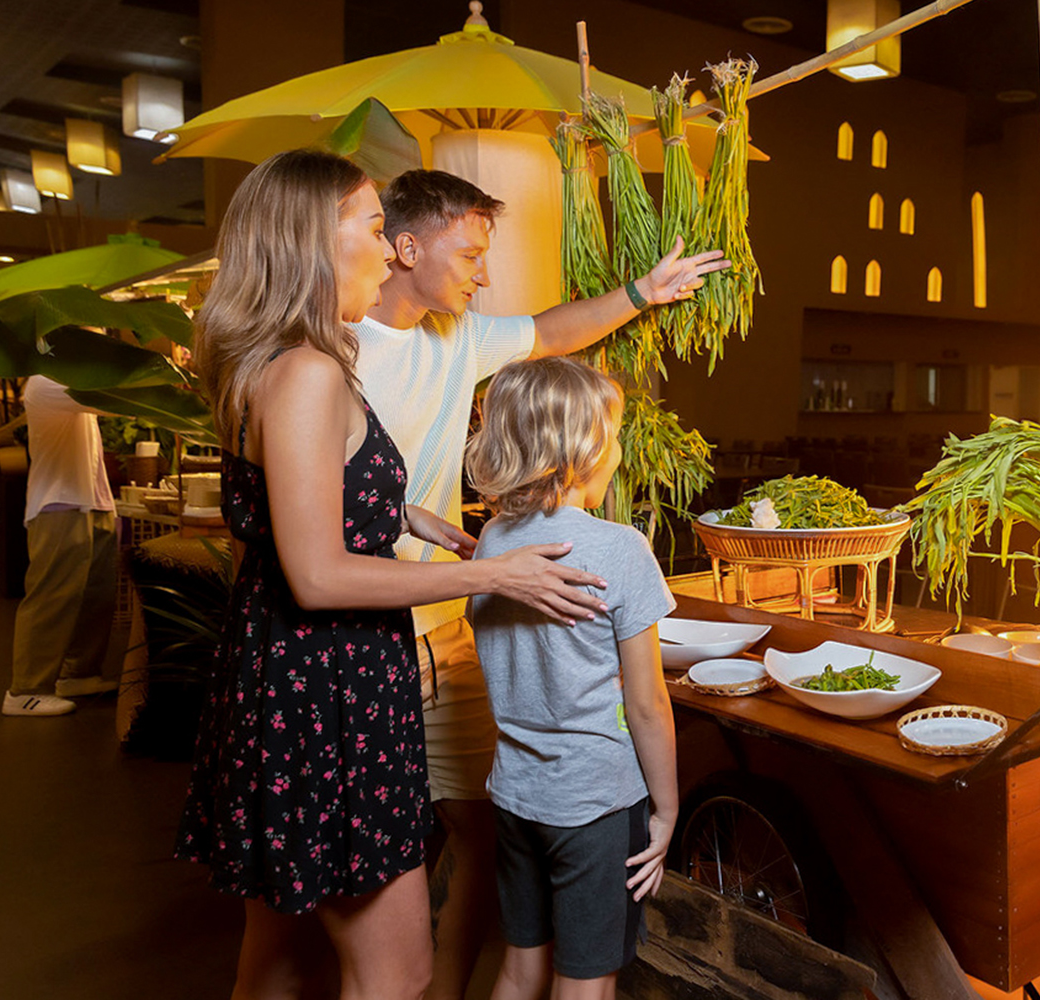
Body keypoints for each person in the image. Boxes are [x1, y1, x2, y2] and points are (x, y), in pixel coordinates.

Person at [175, 149, 591, 1000]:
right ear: (314, 243)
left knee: (282, 952)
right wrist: (497, 577)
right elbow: (320, 575)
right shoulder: (309, 371)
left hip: (285, 683)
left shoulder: (279, 361)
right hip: (326, 696)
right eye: (371, 226)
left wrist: (398, 511)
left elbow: (300, 491)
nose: (386, 240)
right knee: (396, 972)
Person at [350, 168, 724, 998]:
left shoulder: (461, 348)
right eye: (472, 252)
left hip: (456, 630)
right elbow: (645, 702)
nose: (483, 271)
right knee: (366, 857)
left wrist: (643, 291)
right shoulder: (330, 352)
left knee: (482, 847)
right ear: (406, 247)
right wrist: (668, 809)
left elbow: (553, 331)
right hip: (361, 642)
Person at [465, 357, 677, 1000]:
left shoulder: (493, 543)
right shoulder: (619, 548)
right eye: (611, 432)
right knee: (586, 980)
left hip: (515, 794)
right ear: (586, 448)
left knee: (520, 967)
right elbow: (646, 706)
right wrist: (667, 810)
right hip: (594, 804)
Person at [1, 375, 119, 717]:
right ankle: (26, 690)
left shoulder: (69, 378)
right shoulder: (46, 382)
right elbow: (115, 400)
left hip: (92, 499)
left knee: (96, 594)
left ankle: (79, 673)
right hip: (59, 503)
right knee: (53, 595)